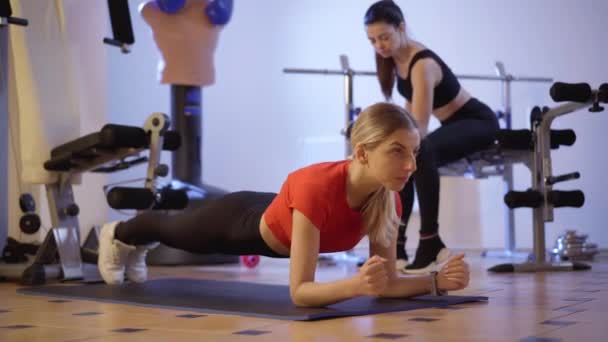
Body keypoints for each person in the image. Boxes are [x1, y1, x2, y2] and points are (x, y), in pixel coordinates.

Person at [98, 102, 470, 308]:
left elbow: (386, 283)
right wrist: (356, 284)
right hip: (239, 221)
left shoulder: (387, 200)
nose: (412, 165)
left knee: (175, 231)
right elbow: (301, 293)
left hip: (279, 211)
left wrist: (436, 281)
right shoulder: (317, 187)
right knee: (173, 231)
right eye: (397, 152)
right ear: (362, 152)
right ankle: (119, 234)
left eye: (414, 153)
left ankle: (133, 242)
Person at [364, 0, 500, 273]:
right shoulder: (396, 63)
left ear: (401, 28)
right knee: (403, 156)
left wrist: (400, 147)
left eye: (385, 37)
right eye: (373, 40)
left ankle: (430, 242)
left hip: (479, 122)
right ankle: (398, 245)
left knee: (420, 151)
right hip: (454, 124)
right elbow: (407, 117)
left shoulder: (421, 64)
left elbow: (419, 129)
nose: (380, 46)